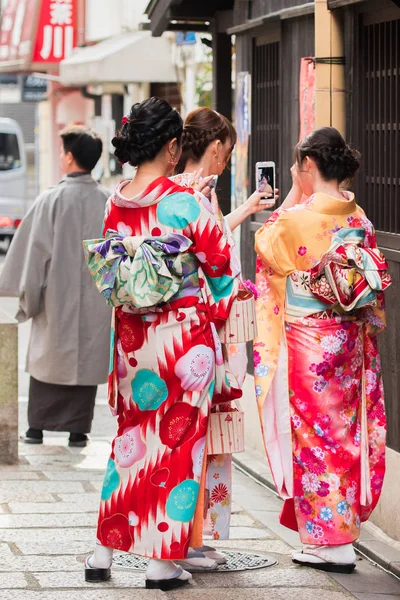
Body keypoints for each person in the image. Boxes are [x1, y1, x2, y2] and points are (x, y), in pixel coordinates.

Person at [84, 97, 242, 590]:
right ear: (173, 147)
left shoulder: (116, 201)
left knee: (130, 442)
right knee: (177, 447)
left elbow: (113, 273)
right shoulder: (182, 200)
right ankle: (161, 562)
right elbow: (220, 266)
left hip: (132, 340)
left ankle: (101, 553)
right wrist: (214, 314)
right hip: (182, 343)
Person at [254, 127, 390, 573]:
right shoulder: (360, 219)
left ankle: (329, 543)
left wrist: (294, 190)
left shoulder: (296, 219)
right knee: (345, 433)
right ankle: (341, 533)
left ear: (308, 166)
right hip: (348, 341)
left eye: (300, 167)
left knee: (314, 436)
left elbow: (266, 246)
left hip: (309, 340)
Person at [173, 106, 278, 570]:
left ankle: (196, 536)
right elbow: (209, 254)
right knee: (201, 434)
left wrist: (248, 209)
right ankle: (190, 538)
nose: (226, 160)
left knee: (207, 434)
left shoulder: (186, 191)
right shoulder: (192, 191)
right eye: (227, 152)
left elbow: (211, 237)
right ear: (215, 148)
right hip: (202, 329)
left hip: (202, 329)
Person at [0, 126, 111, 447]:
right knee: (85, 360)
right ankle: (78, 430)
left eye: (63, 152)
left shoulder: (50, 199)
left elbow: (34, 257)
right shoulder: (106, 201)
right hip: (95, 299)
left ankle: (37, 427)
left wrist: (29, 300)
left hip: (54, 298)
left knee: (49, 359)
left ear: (69, 157)